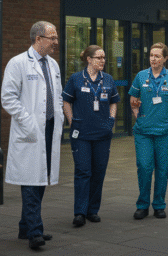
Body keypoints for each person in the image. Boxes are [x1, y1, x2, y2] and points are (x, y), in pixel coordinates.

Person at [1, 21, 64, 250]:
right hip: (29, 130)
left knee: (41, 178)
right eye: (52, 38)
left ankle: (24, 226)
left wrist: (59, 116)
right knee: (30, 179)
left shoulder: (53, 65)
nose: (56, 42)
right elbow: (8, 98)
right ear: (38, 39)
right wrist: (28, 121)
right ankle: (35, 232)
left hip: (48, 128)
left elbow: (57, 94)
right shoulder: (18, 63)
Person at [62, 45, 120, 227]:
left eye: (104, 58)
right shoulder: (76, 79)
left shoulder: (108, 79)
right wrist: (72, 121)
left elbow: (114, 102)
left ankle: (92, 210)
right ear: (88, 59)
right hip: (82, 135)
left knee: (98, 172)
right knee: (83, 171)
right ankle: (79, 212)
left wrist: (111, 120)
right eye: (99, 58)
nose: (103, 61)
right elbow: (66, 101)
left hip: (103, 134)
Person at [128, 42, 168, 220]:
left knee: (162, 169)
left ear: (165, 58)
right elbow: (132, 99)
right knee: (144, 167)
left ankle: (159, 205)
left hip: (165, 131)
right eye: (151, 55)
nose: (153, 59)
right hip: (144, 131)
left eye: (157, 56)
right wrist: (138, 115)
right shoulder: (141, 76)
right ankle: (142, 205)